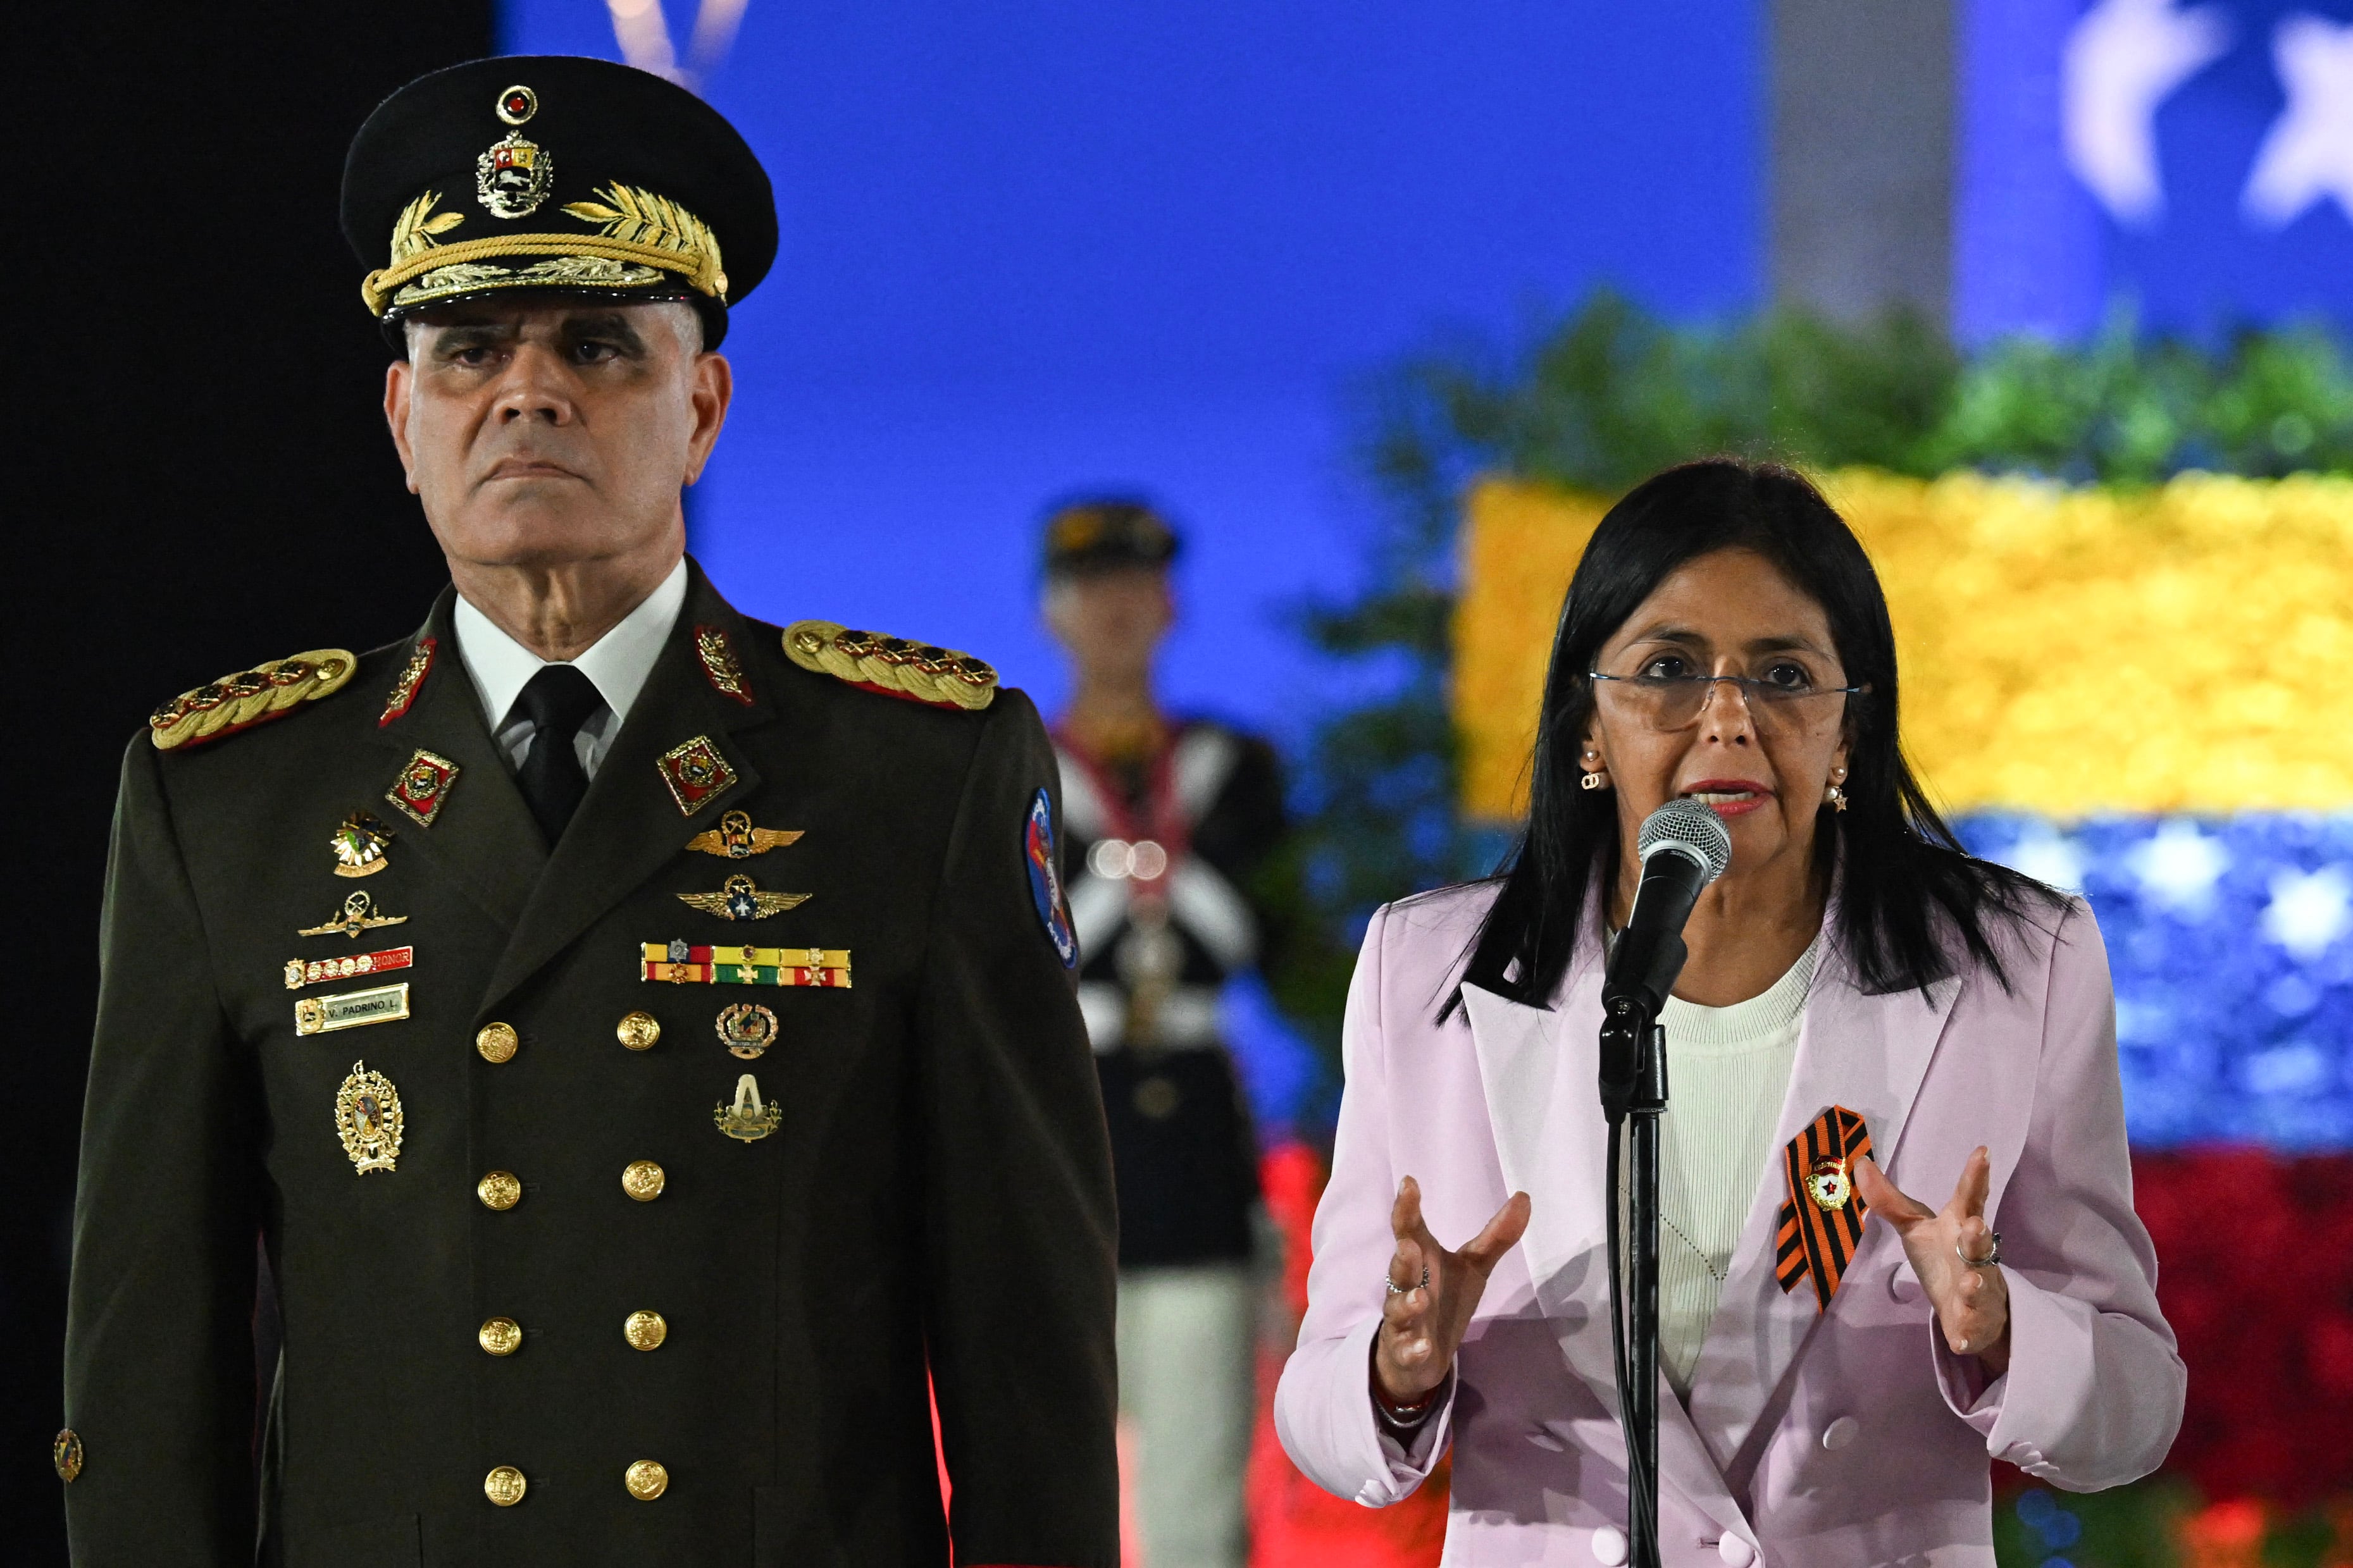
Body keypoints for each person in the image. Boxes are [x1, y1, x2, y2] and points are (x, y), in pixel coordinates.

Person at [57, 56, 1119, 1567]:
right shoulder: (229, 796)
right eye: (469, 346)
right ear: (399, 415)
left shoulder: (917, 774)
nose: (528, 389)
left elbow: (1031, 1357)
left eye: (600, 344)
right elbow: (150, 1361)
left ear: (703, 405)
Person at [1274, 460, 2183, 1565]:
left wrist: (2004, 1338)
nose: (1728, 720)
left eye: (1785, 676)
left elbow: (2137, 1407)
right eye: (1668, 668)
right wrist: (1394, 1370)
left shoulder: (2018, 968)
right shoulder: (1424, 975)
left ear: (1850, 731)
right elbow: (1317, 1407)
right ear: (1587, 727)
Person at [1040, 498, 1289, 1568]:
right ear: (1054, 611)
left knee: (1195, 1499)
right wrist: (1144, 876)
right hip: (1060, 1136)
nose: (1117, 610)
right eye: (1094, 589)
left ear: (1171, 605)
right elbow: (1018, 949)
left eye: (1139, 587)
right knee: (1049, 1484)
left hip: (1190, 1144)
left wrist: (1122, 873)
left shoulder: (1234, 766)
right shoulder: (1015, 767)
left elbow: (1262, 936)